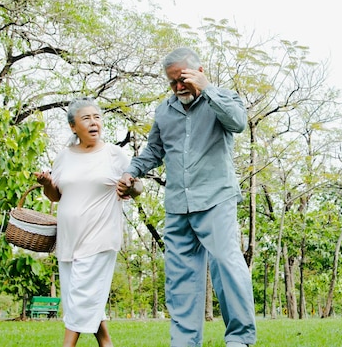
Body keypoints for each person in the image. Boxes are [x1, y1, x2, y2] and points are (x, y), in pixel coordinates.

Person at [117, 47, 256, 347]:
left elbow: (238, 123)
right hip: (178, 204)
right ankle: (184, 341)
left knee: (226, 264)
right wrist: (132, 171)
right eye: (172, 82)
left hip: (216, 197)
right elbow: (154, 150)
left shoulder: (224, 97)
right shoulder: (164, 110)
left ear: (199, 72)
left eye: (183, 79)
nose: (178, 87)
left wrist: (207, 90)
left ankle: (240, 339)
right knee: (180, 278)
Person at [35, 97, 135, 347]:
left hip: (99, 237)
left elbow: (137, 185)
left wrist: (132, 187)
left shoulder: (114, 154)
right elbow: (56, 196)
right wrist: (47, 185)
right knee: (77, 298)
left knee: (81, 296)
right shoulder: (64, 157)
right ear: (73, 127)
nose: (93, 122)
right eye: (86, 118)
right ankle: (106, 343)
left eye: (97, 117)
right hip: (68, 240)